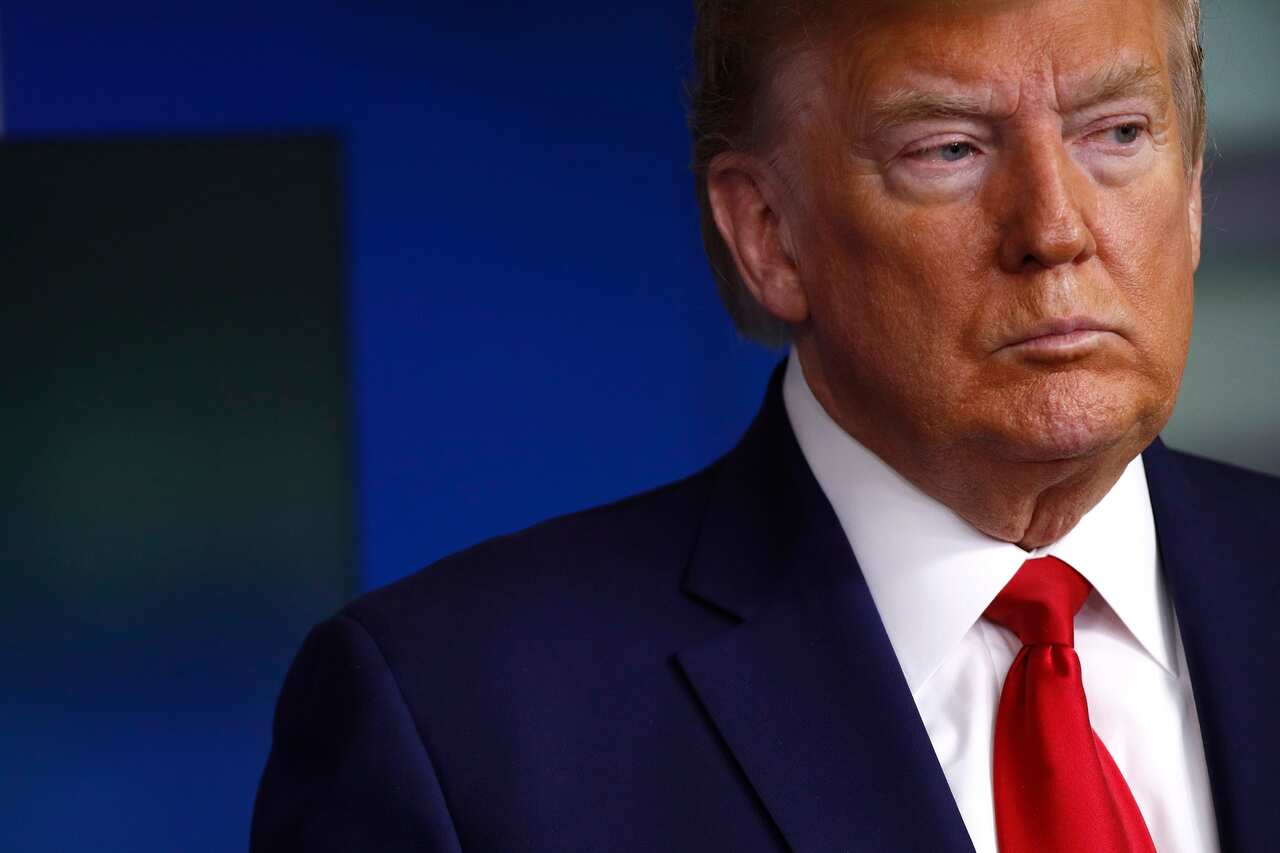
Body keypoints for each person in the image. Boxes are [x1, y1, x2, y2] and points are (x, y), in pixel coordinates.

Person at [252, 0, 1280, 850]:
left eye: (1117, 133)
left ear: (1191, 190)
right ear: (768, 235)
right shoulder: (454, 727)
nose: (1053, 229)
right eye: (949, 149)